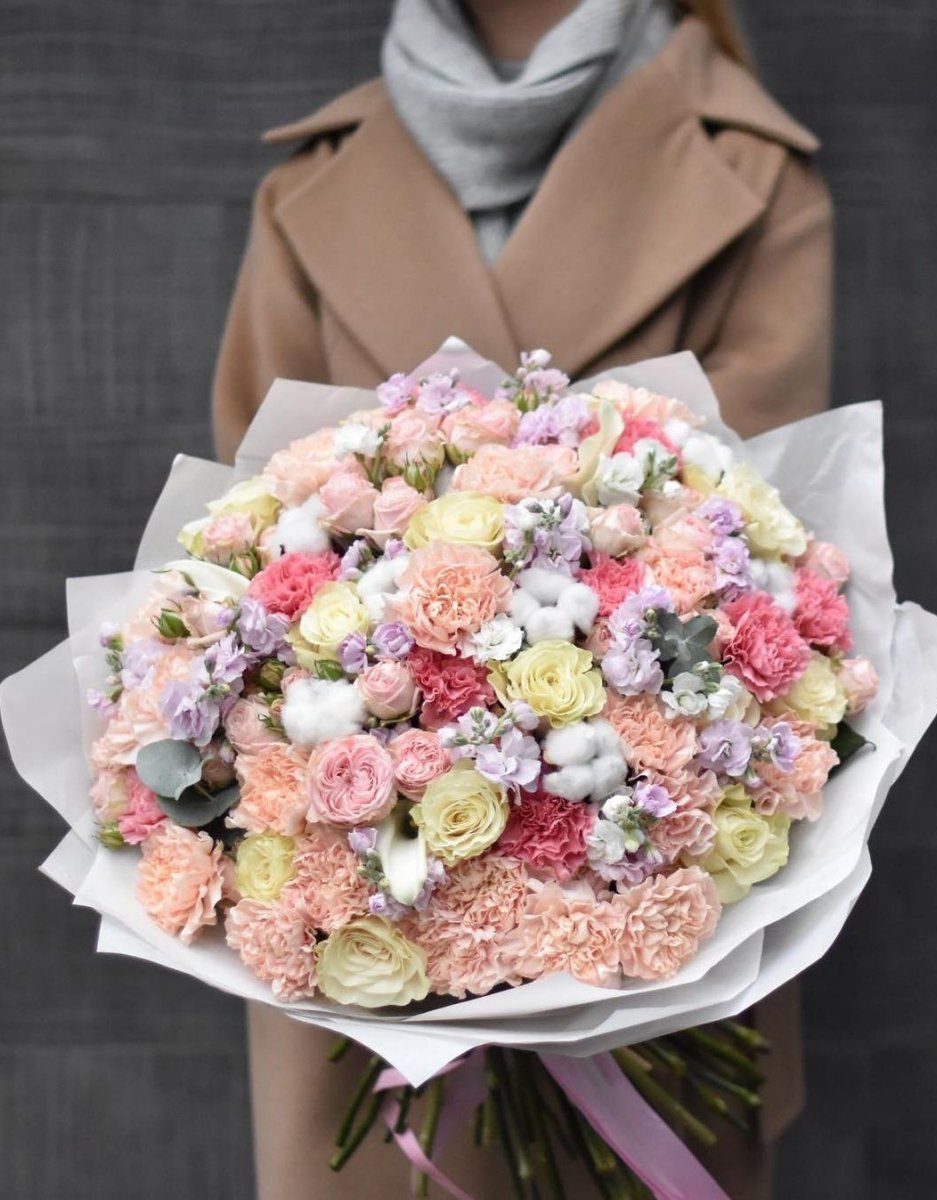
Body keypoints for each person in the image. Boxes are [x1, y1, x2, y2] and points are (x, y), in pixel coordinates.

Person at [213, 2, 830, 1196]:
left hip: (652, 915)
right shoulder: (318, 178)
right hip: (366, 923)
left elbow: (773, 550)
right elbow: (246, 538)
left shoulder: (747, 165)